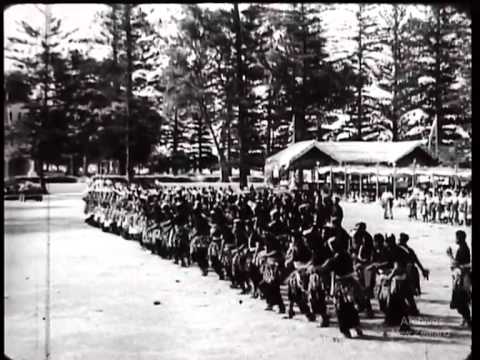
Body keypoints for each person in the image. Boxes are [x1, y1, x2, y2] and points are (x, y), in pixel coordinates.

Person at [446, 230, 471, 328]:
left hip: (462, 278)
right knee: (462, 300)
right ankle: (466, 319)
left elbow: (457, 263)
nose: (455, 239)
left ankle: (468, 319)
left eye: (456, 237)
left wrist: (450, 255)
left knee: (460, 300)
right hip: (461, 277)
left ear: (459, 238)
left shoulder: (463, 249)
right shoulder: (463, 247)